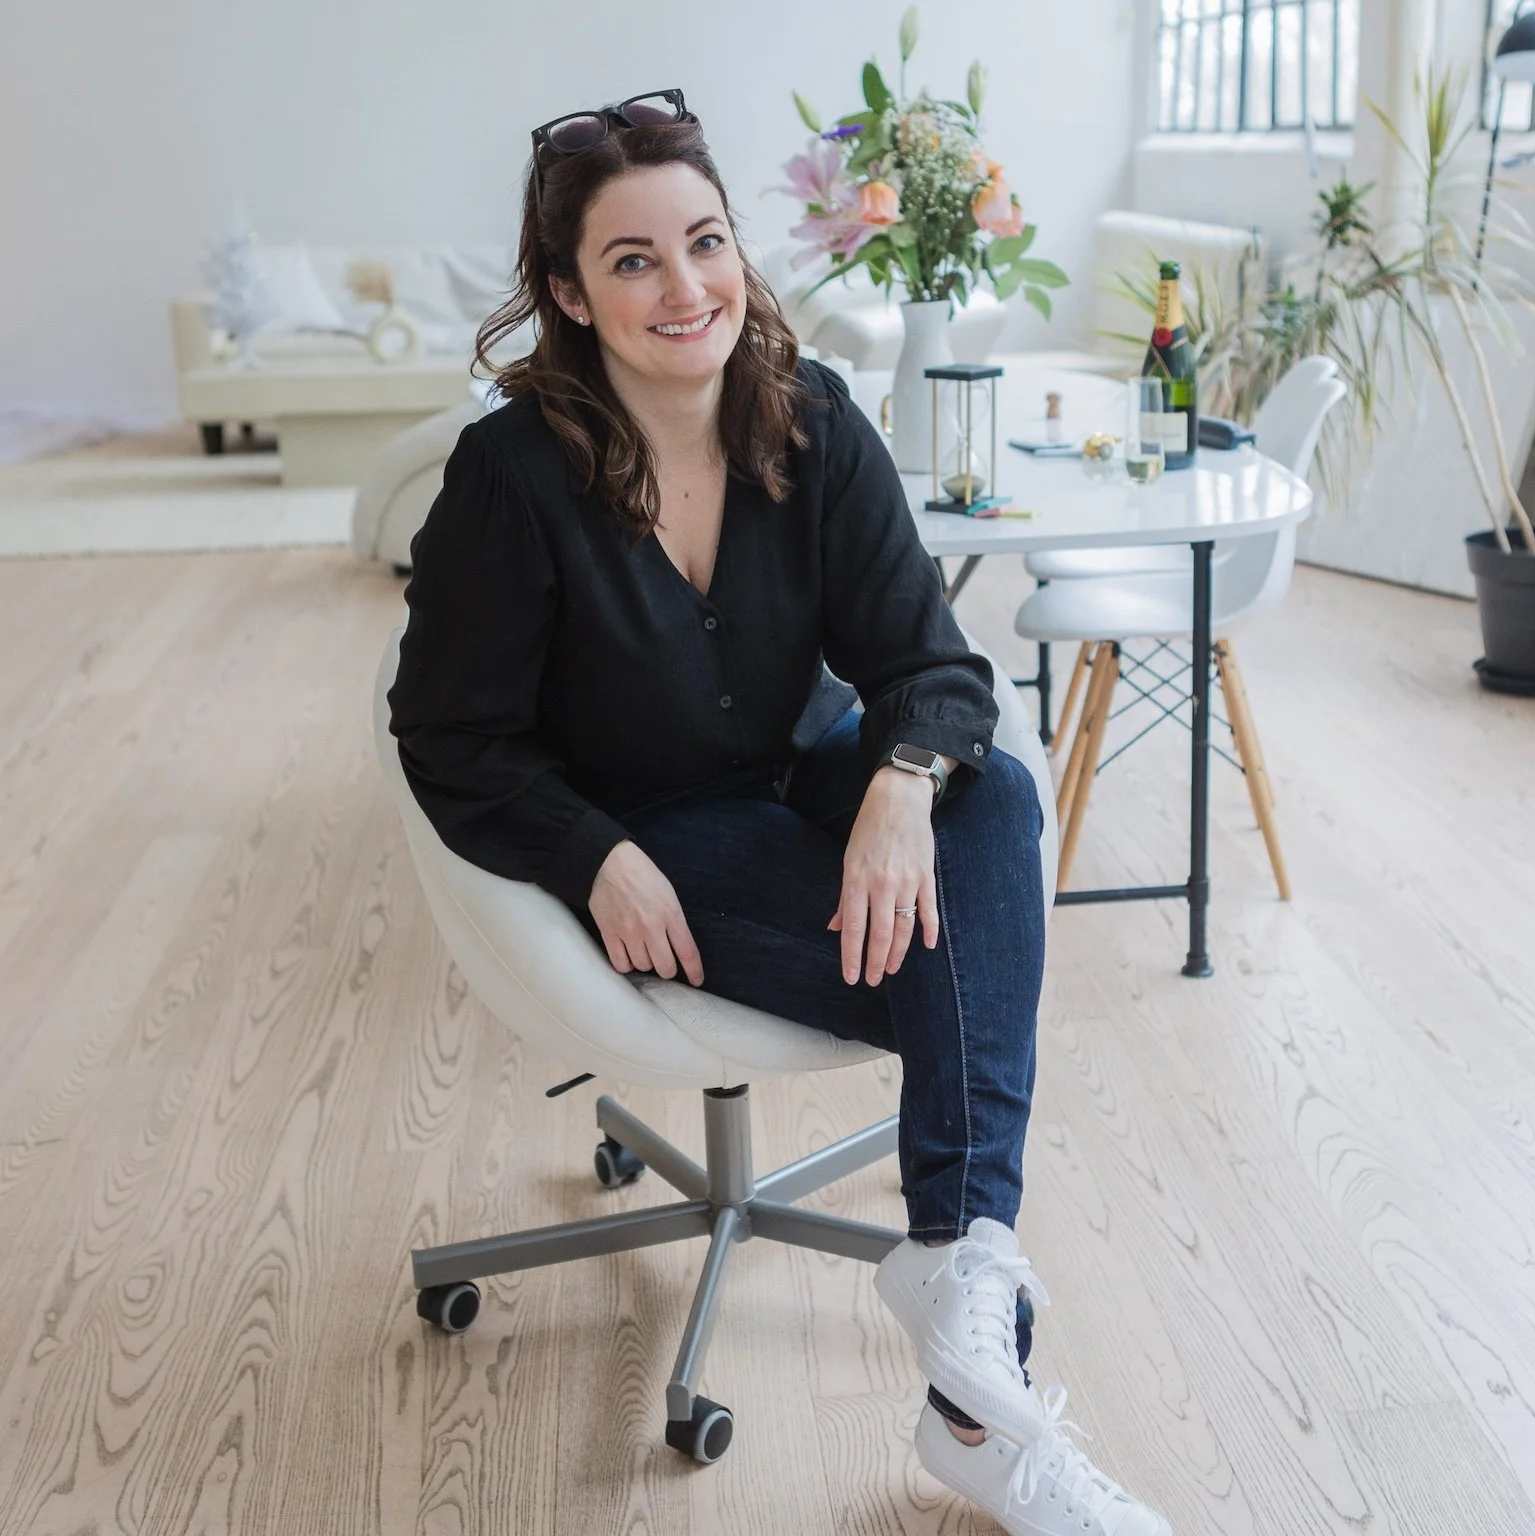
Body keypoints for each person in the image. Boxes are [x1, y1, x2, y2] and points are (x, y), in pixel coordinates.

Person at [385, 92, 1170, 1536]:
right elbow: (445, 735)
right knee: (969, 987)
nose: (685, 289)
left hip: (808, 767)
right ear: (568, 293)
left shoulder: (808, 418)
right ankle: (983, 1420)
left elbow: (932, 662)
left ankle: (959, 1269)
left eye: (705, 242)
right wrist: (591, 852)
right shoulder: (508, 480)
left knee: (987, 795)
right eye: (632, 261)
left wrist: (899, 785)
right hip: (651, 833)